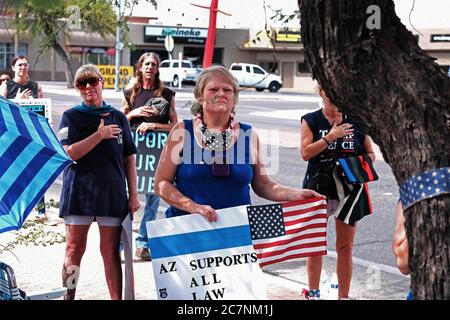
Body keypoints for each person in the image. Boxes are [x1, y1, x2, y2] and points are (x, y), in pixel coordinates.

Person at [154, 65, 320, 223]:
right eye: (213, 89)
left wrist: (296, 194)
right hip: (188, 230)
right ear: (200, 95)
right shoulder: (182, 132)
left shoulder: (249, 135)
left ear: (234, 98)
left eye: (228, 90)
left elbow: (263, 185)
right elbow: (161, 183)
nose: (221, 94)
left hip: (236, 235)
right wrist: (192, 207)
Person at [57, 64, 140, 300]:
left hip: (111, 195)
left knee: (111, 252)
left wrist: (133, 195)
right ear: (77, 89)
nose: (88, 87)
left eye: (92, 81)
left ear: (102, 82)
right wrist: (99, 135)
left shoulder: (119, 117)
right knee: (74, 250)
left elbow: (129, 158)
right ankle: (68, 296)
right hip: (78, 194)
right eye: (82, 83)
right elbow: (69, 153)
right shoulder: (70, 117)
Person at [300, 85, 376, 300]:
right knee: (314, 244)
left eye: (337, 90)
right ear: (320, 92)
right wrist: (330, 137)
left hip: (349, 190)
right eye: (327, 89)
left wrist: (358, 165)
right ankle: (313, 293)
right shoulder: (311, 120)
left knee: (345, 246)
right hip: (318, 189)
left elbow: (370, 152)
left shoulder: (357, 121)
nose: (332, 95)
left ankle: (343, 296)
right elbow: (305, 153)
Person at [121, 52, 178, 261]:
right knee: (127, 198)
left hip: (156, 154)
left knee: (153, 201)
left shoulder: (166, 94)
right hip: (133, 155)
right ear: (140, 67)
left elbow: (175, 125)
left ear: (157, 68)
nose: (150, 67)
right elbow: (121, 121)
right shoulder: (130, 93)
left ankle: (143, 243)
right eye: (146, 64)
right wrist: (134, 114)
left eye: (154, 64)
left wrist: (154, 124)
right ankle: (121, 243)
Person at [0, 56, 46, 216]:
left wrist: (48, 123)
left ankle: (41, 210)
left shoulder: (36, 86)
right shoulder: (6, 85)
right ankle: (12, 209)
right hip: (12, 136)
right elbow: (1, 108)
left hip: (32, 135)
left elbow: (43, 110)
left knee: (37, 170)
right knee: (13, 172)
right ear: (13, 68)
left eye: (26, 64)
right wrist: (16, 100)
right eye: (20, 65)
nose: (23, 67)